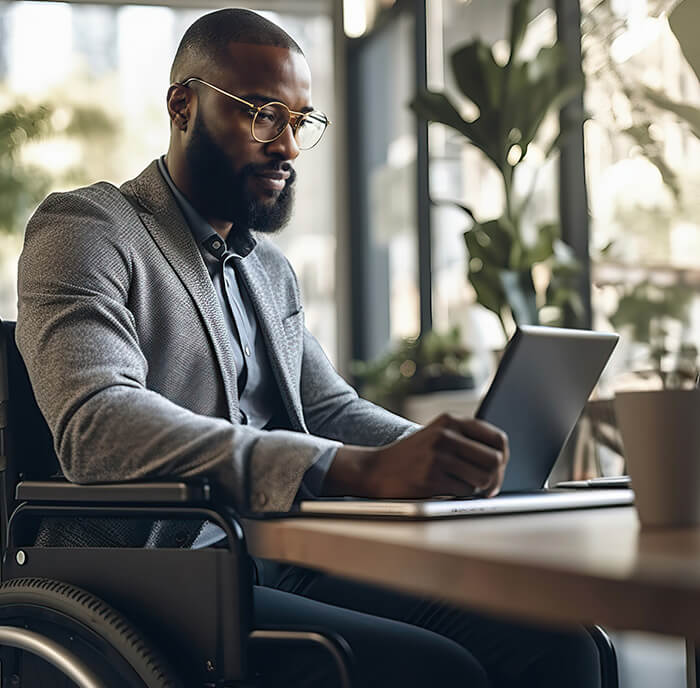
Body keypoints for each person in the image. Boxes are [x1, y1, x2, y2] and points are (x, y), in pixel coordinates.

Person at [16, 8, 601, 687]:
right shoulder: (89, 227)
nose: (288, 146)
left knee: (560, 645)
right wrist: (348, 470)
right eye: (262, 114)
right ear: (183, 106)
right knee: (437, 669)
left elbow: (329, 409)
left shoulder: (269, 269)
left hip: (280, 559)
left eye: (299, 122)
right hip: (156, 577)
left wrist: (446, 464)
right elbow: (98, 423)